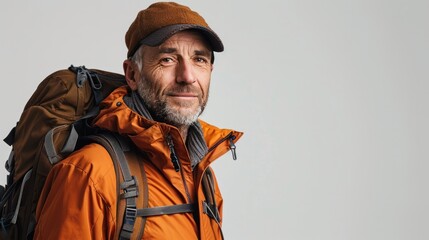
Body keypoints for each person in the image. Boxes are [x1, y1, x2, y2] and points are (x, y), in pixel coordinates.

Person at [33, 2, 242, 240]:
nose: (187, 76)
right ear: (132, 74)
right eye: (167, 59)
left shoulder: (203, 175)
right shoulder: (89, 173)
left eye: (199, 60)